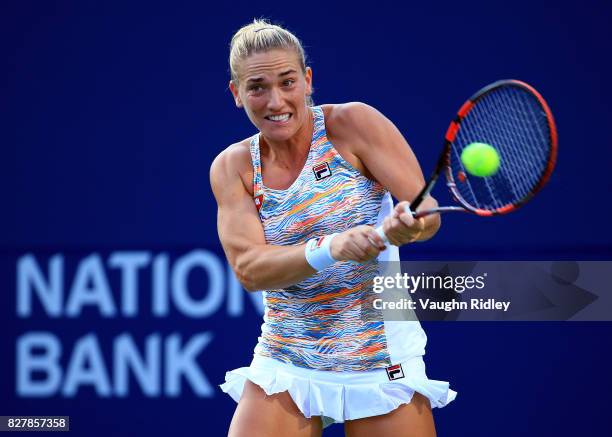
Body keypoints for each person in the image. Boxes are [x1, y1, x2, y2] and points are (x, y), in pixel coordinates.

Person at [211, 19, 456, 437]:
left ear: (307, 80)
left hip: (379, 353)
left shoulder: (353, 124)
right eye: (257, 87)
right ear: (237, 94)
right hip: (287, 357)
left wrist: (407, 227)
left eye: (287, 82)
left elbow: (425, 212)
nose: (276, 101)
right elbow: (249, 269)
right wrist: (330, 248)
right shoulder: (233, 166)